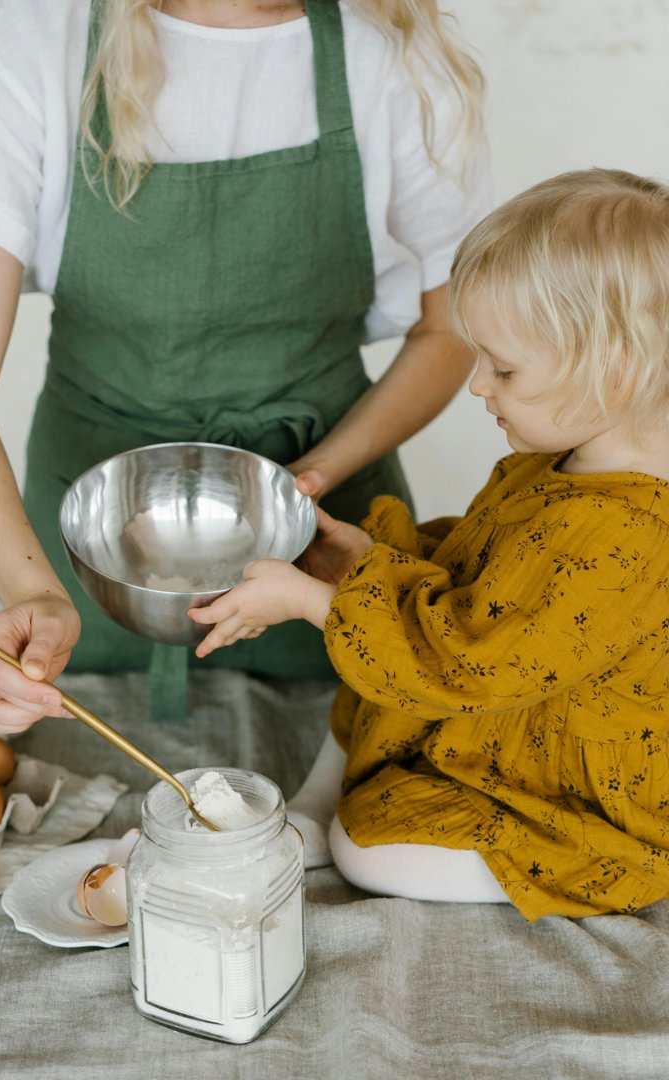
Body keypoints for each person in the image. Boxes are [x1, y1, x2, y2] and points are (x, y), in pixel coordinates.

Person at [0, 0, 490, 729]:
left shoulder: (398, 57)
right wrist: (36, 594)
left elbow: (449, 327)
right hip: (92, 559)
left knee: (348, 758)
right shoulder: (38, 44)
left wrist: (310, 484)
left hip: (325, 550)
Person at [189, 168, 669, 919]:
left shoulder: (628, 534)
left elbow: (467, 660)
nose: (478, 385)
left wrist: (314, 603)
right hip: (493, 690)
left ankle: (567, 868)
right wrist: (353, 565)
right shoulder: (567, 463)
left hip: (563, 782)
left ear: (614, 371)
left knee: (367, 851)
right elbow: (487, 565)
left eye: (504, 368)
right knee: (366, 658)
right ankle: (318, 805)